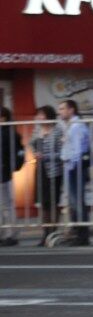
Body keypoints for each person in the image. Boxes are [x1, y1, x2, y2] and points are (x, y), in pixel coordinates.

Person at [55, 98, 92, 245]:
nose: (60, 112)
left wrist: (73, 166)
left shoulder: (76, 126)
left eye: (63, 109)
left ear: (71, 110)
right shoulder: (69, 125)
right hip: (70, 167)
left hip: (75, 168)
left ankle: (82, 236)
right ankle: (78, 234)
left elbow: (78, 150)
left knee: (77, 203)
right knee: (73, 203)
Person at [30, 105, 61, 245]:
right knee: (43, 203)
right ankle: (45, 233)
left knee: (53, 202)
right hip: (40, 170)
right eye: (38, 115)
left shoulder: (57, 130)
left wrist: (47, 156)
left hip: (53, 171)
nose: (39, 117)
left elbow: (62, 153)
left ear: (48, 115)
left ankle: (53, 233)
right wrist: (35, 152)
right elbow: (31, 143)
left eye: (41, 114)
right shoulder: (37, 130)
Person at [0, 105, 20, 247]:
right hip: (5, 172)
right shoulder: (10, 131)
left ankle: (11, 234)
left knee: (6, 205)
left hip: (3, 173)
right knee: (5, 205)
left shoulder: (6, 132)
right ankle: (8, 233)